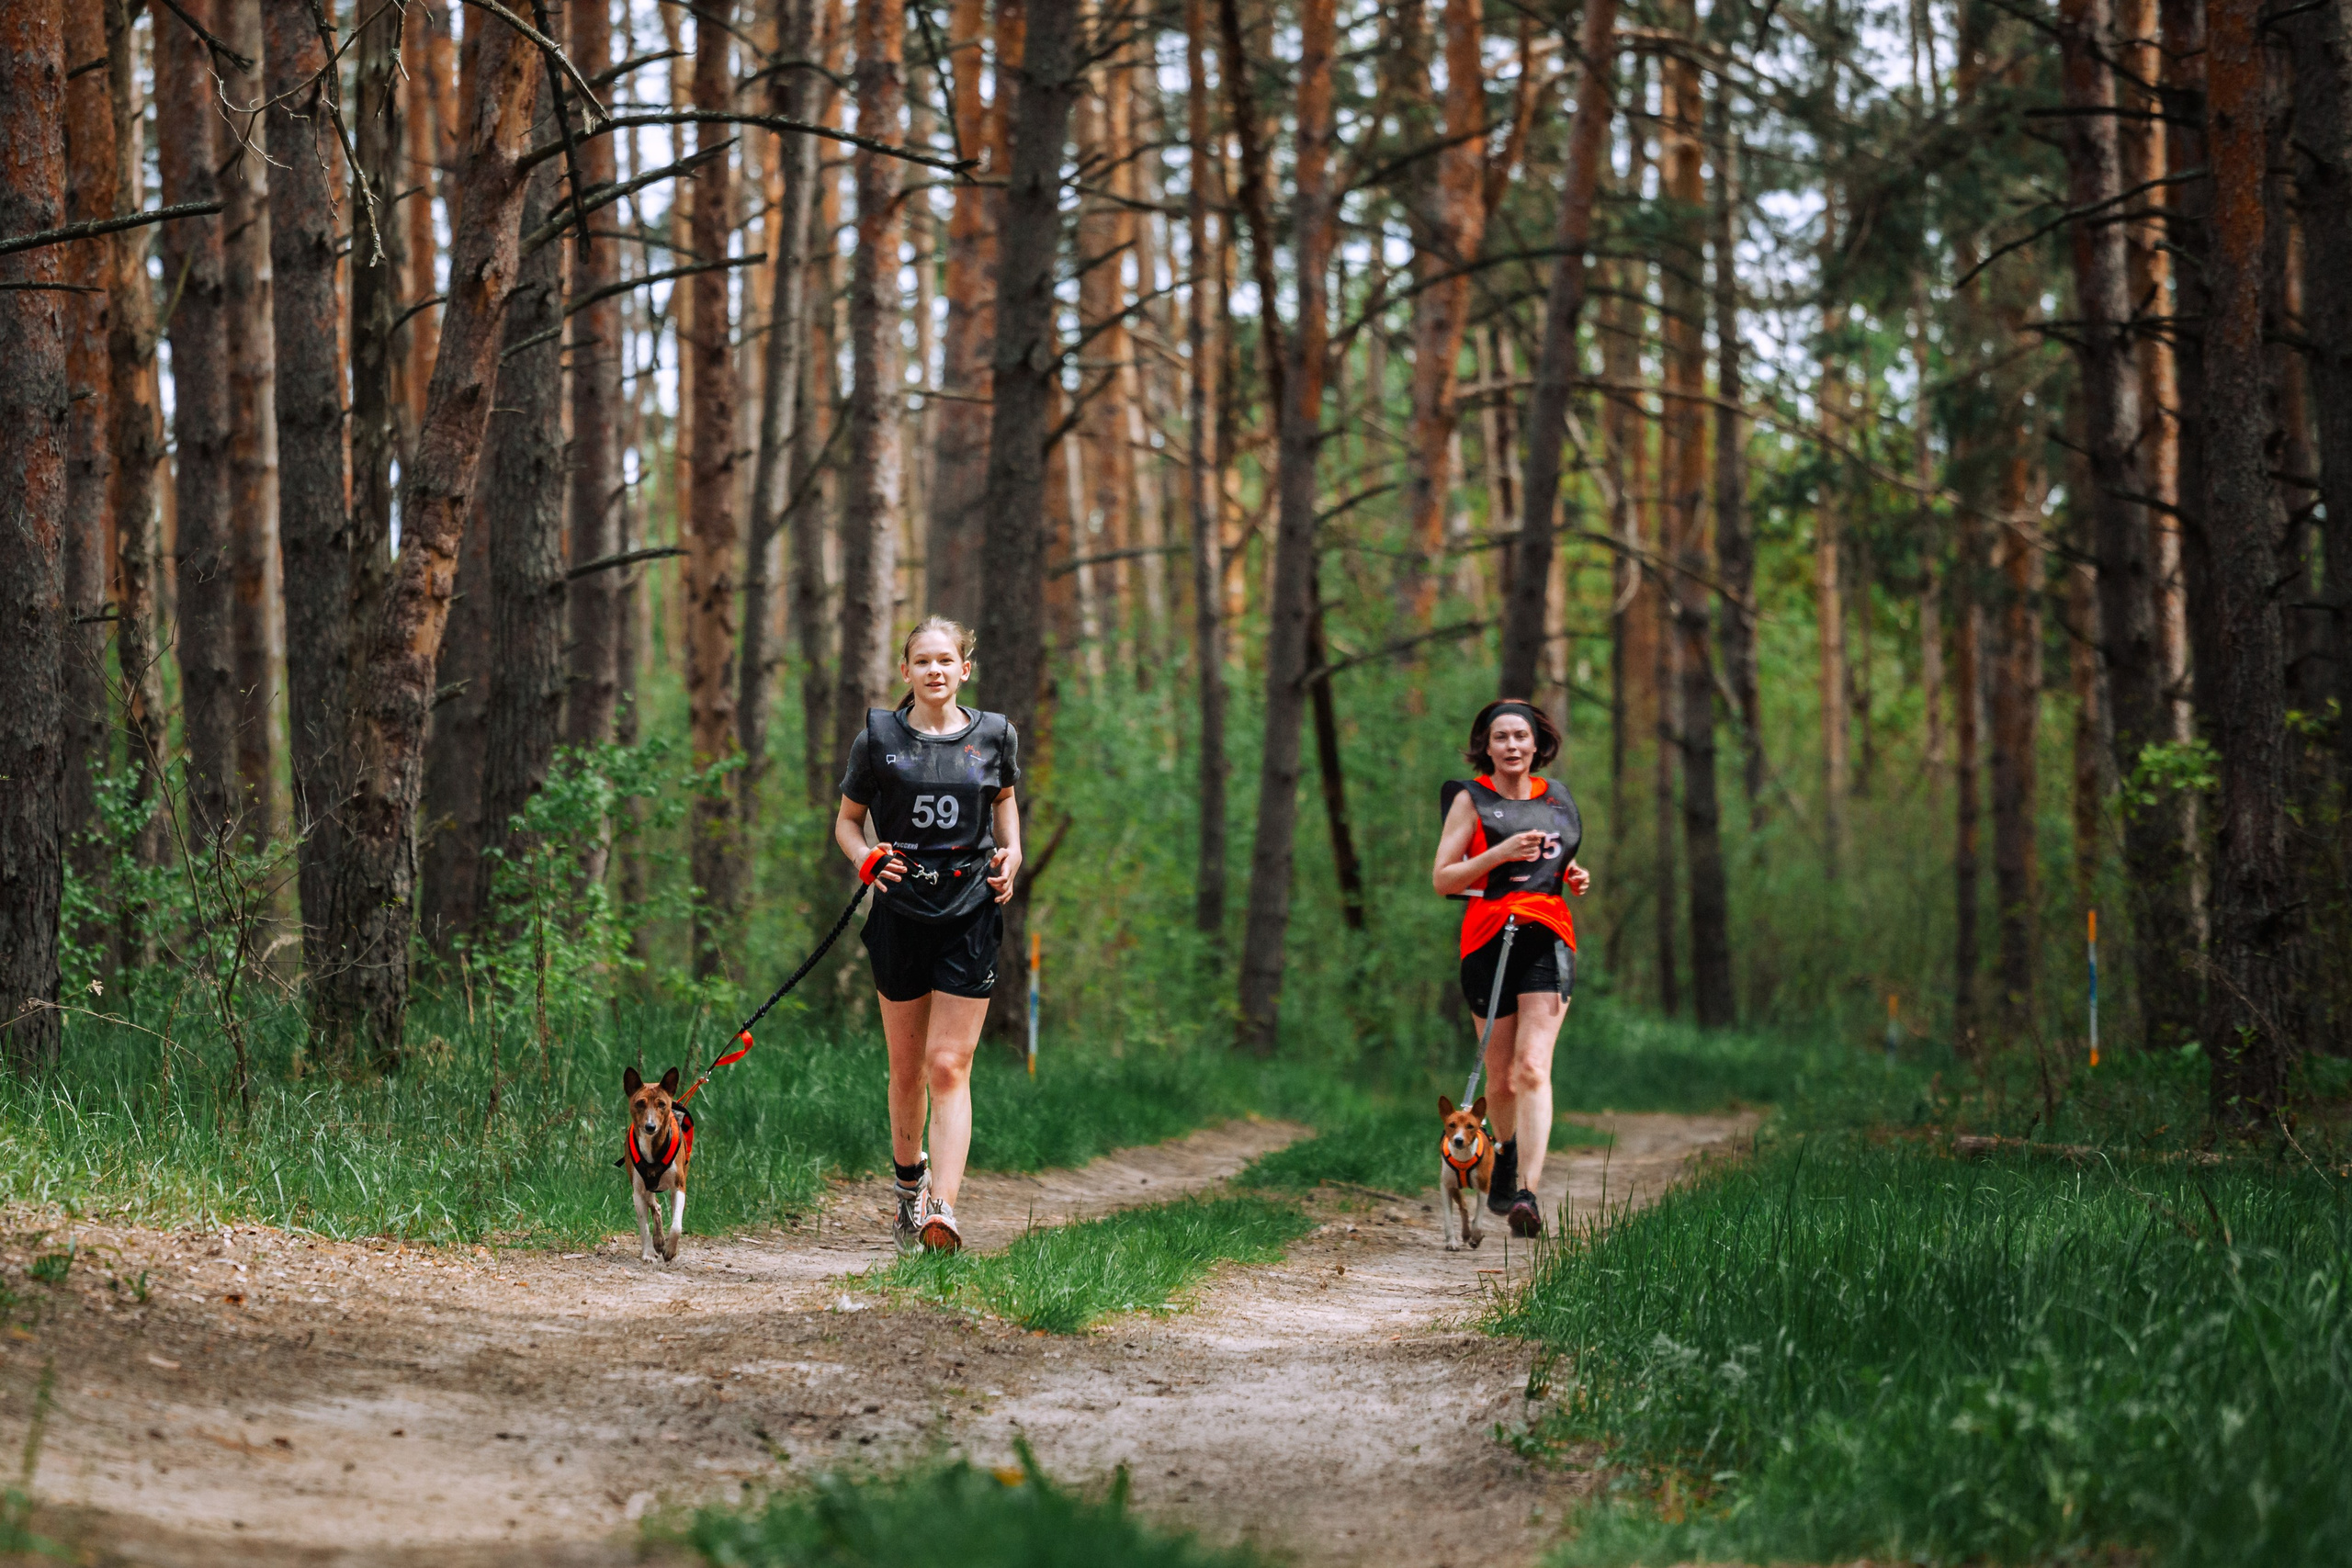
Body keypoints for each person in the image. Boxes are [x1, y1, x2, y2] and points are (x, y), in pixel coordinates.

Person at [833, 617, 1023, 1254]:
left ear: (964, 668)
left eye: (946, 659)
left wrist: (1012, 853)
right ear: (907, 670)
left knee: (950, 1065)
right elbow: (847, 823)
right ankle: (908, 1192)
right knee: (908, 1069)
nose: (935, 669)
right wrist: (864, 859)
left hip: (970, 909)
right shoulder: (878, 739)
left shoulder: (995, 734)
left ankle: (944, 1207)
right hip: (900, 910)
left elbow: (1003, 801)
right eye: (923, 660)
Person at [1430, 698, 1591, 1237]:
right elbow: (1444, 878)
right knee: (1498, 1081)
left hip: (1547, 937)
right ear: (1487, 745)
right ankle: (1504, 1148)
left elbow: (1551, 858)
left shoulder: (1560, 799)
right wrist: (1498, 856)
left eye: (1521, 737)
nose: (1512, 747)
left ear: (1537, 743)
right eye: (1501, 738)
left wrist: (1570, 873)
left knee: (1531, 1069)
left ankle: (1526, 1192)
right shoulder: (1470, 800)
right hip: (1486, 942)